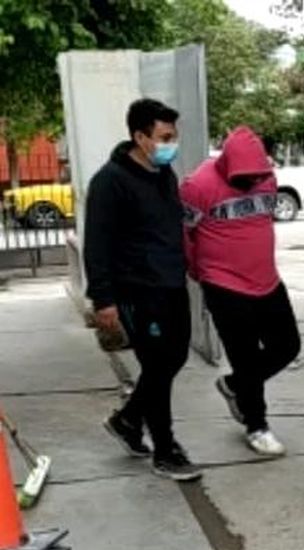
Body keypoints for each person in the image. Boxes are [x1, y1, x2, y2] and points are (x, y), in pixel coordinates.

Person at [86, 98, 201, 481]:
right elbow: (96, 244)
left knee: (174, 358)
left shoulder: (164, 175)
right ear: (140, 136)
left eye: (174, 135)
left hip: (171, 283)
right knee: (157, 365)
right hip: (137, 290)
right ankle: (165, 449)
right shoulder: (110, 182)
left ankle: (129, 419)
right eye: (164, 136)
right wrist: (103, 300)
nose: (172, 143)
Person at [180, 126, 300, 456]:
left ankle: (234, 385)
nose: (250, 184)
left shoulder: (267, 179)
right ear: (226, 165)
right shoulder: (197, 186)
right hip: (223, 284)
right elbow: (185, 235)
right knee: (245, 356)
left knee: (288, 345)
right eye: (242, 179)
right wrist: (197, 271)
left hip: (267, 279)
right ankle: (256, 426)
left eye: (255, 178)